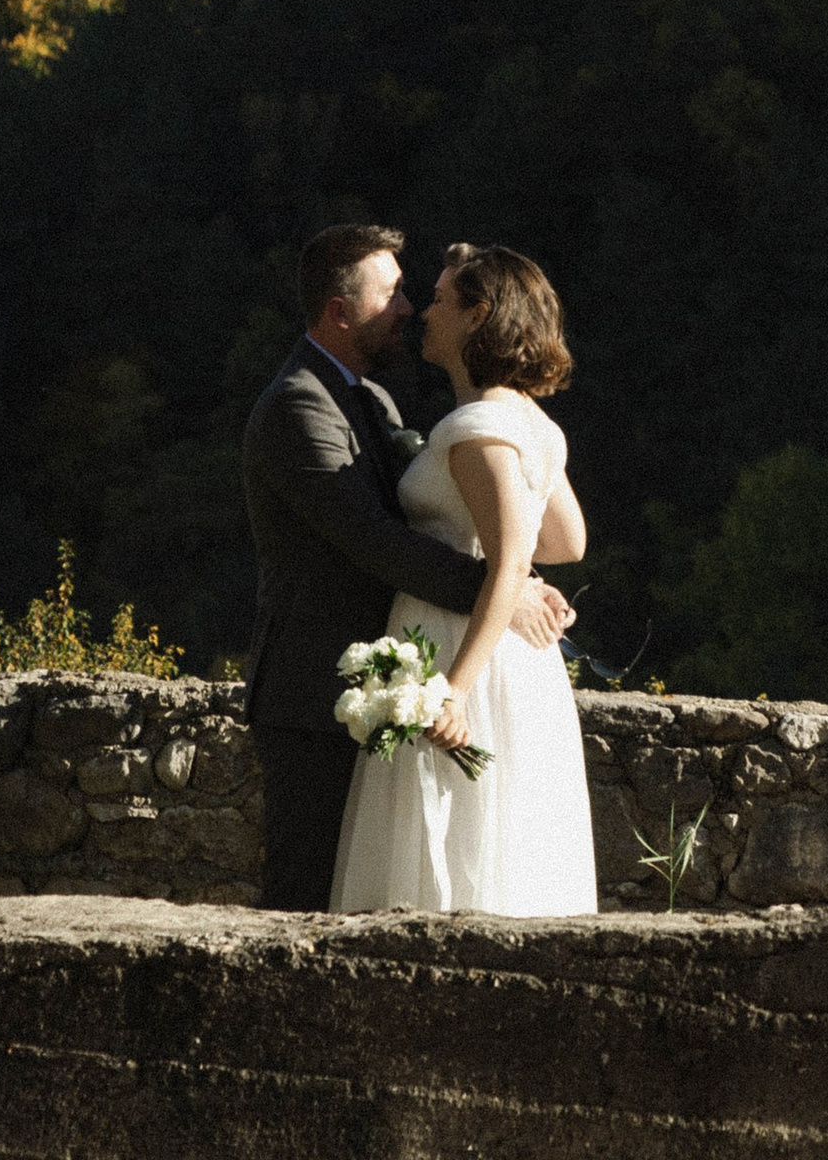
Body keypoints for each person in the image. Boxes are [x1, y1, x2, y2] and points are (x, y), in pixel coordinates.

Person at [242, 223, 577, 910]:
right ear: (341, 311)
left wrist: (511, 574)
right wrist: (505, 589)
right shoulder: (300, 404)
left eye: (420, 296)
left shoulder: (378, 402)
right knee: (308, 897)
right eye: (392, 294)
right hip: (318, 691)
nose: (410, 309)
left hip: (404, 674)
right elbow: (373, 541)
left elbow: (529, 538)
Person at [330, 239, 598, 916]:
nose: (425, 312)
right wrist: (520, 575)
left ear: (478, 315)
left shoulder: (477, 427)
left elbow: (510, 560)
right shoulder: (530, 420)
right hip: (516, 661)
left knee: (450, 846)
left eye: (441, 299)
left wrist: (452, 690)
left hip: (462, 653)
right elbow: (565, 541)